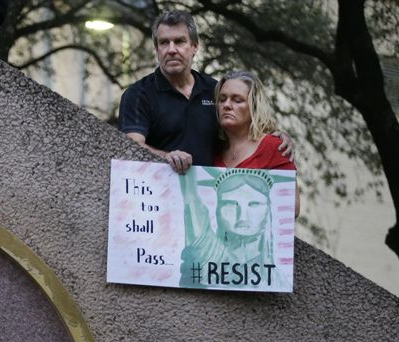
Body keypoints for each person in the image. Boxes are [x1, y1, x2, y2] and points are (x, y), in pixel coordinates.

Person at [118, 11, 292, 174]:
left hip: (211, 198)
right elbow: (130, 147)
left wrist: (277, 138)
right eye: (164, 42)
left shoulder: (215, 90)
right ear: (156, 50)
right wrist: (166, 157)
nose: (171, 50)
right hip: (162, 196)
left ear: (194, 47)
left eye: (179, 41)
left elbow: (243, 128)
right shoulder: (138, 94)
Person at [214, 70, 299, 215]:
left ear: (254, 105)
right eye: (222, 99)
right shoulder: (213, 148)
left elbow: (293, 208)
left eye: (237, 100)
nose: (226, 105)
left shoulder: (274, 147)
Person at [178, 169, 281, 288]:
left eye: (254, 204)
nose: (242, 217)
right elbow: (190, 196)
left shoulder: (278, 280)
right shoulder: (208, 251)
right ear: (218, 210)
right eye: (230, 204)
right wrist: (183, 162)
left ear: (268, 211)